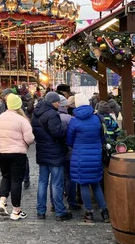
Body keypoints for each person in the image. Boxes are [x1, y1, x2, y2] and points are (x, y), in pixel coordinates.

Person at [66, 93, 110, 224]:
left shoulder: (74, 120)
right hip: (95, 156)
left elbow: (69, 140)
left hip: (80, 156)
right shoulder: (97, 118)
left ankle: (89, 213)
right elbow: (103, 138)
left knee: (83, 184)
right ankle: (104, 212)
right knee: (96, 183)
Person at [32, 92, 72, 221]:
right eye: (57, 102)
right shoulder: (52, 114)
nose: (59, 104)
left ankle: (41, 211)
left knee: (42, 182)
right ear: (52, 102)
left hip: (42, 151)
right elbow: (57, 133)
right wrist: (64, 127)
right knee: (56, 183)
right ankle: (60, 211)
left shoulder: (36, 113)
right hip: (54, 152)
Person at [0, 94, 35, 221]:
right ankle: (16, 210)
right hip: (18, 153)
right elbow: (29, 138)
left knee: (6, 176)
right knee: (17, 180)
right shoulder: (22, 119)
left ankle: (2, 201)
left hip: (2, 152)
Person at [57, 96, 79, 211]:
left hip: (56, 152)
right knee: (70, 178)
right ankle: (72, 202)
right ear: (65, 106)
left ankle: (55, 202)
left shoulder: (53, 117)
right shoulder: (70, 119)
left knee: (56, 179)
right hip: (69, 151)